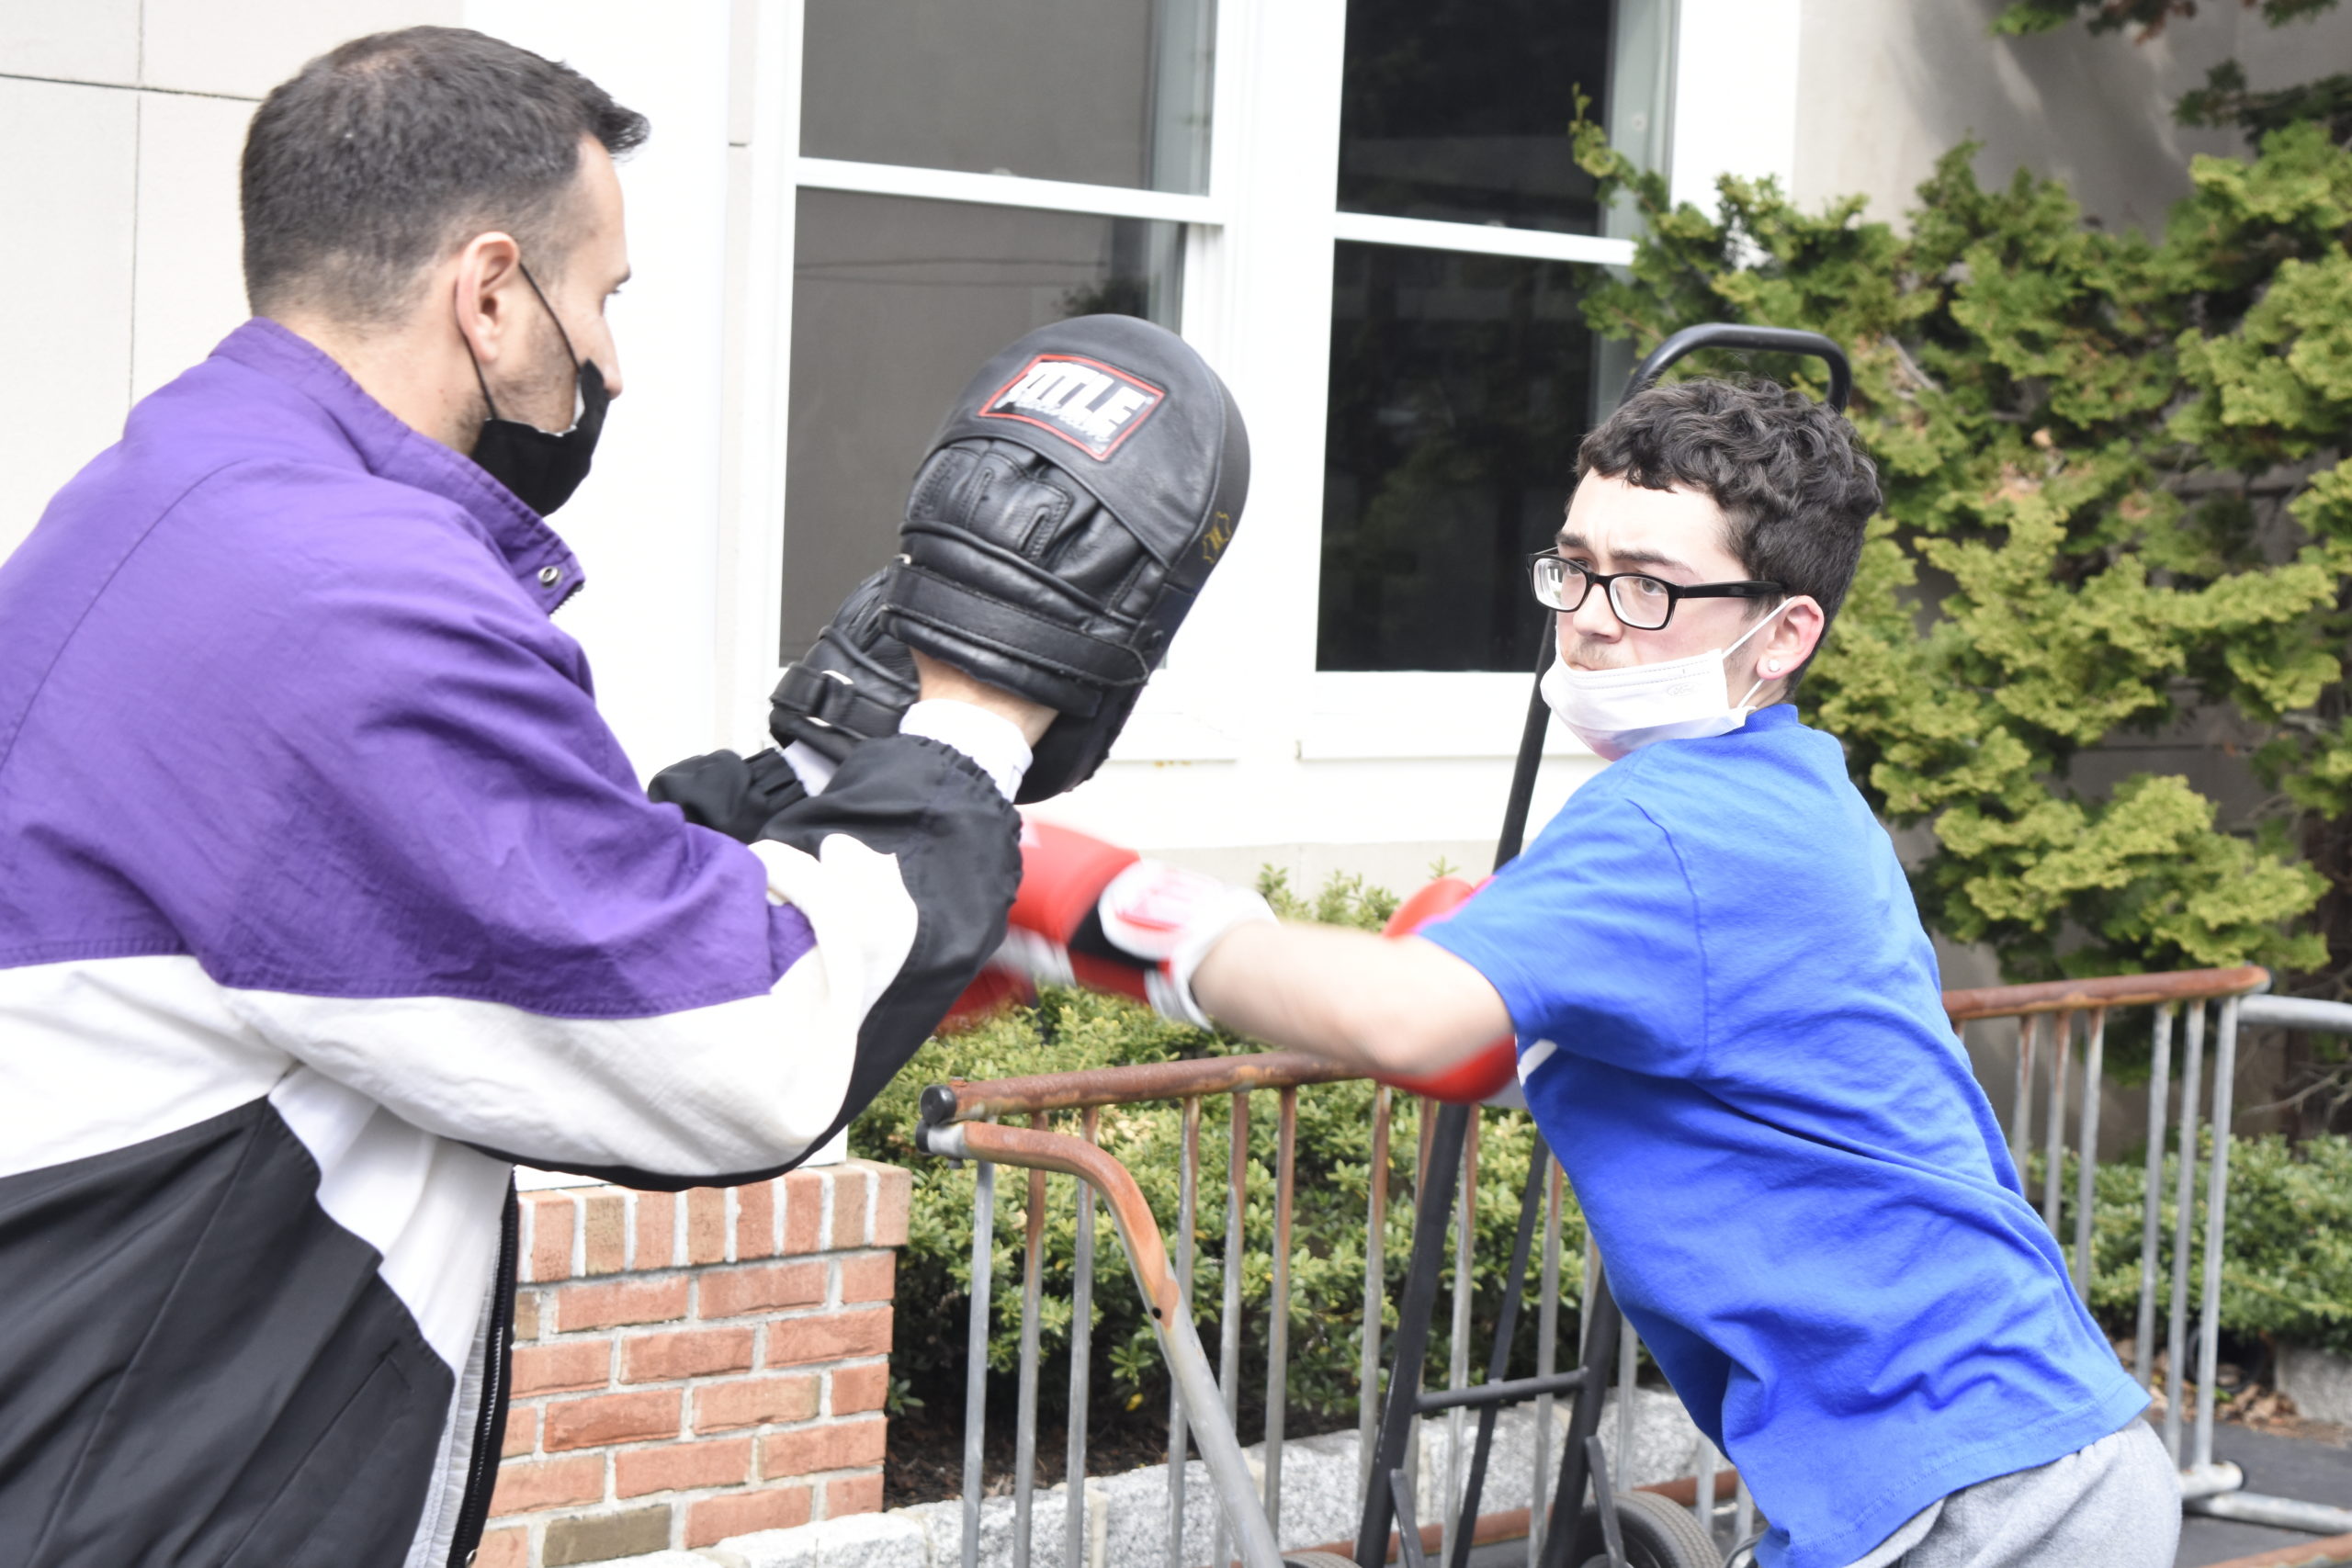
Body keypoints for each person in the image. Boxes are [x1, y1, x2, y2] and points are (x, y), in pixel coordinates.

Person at [0, 26, 1243, 1568]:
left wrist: (805, 785)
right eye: (603, 300)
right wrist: (973, 734)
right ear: (492, 291)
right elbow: (731, 1050)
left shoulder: (182, 508)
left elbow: (468, 901)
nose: (611, 359)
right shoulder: (348, 611)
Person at [993, 379, 2179, 1568]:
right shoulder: (1793, 786)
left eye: (1651, 585)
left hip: (1975, 1495)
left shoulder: (1674, 822)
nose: (1596, 618)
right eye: (1575, 567)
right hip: (2020, 1456)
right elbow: (1721, 1064)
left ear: (1786, 633)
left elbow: (1405, 1021)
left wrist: (1063, 897)